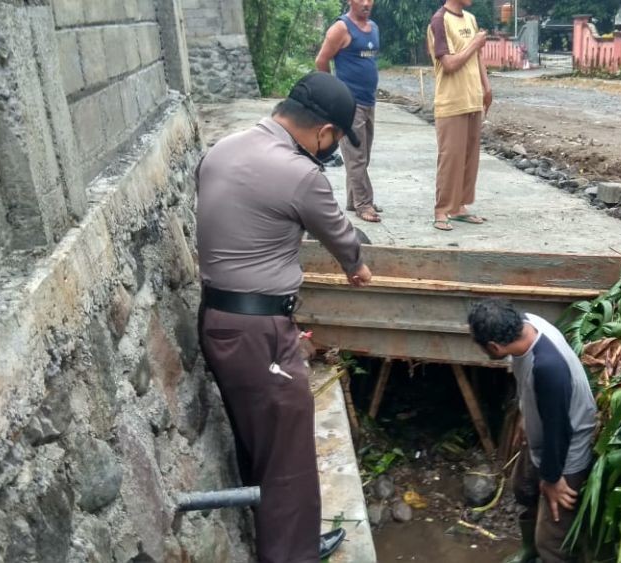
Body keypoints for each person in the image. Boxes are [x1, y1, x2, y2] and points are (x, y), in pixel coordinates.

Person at [195, 71, 373, 563]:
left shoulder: (222, 148)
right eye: (335, 138)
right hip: (261, 333)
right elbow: (340, 235)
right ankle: (292, 554)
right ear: (323, 133)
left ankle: (275, 539)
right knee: (289, 452)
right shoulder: (301, 174)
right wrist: (358, 267)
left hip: (217, 320)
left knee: (260, 441)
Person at [467, 299, 598, 563]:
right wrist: (524, 418)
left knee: (551, 540)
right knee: (523, 488)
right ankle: (530, 550)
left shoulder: (548, 368)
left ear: (494, 346)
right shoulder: (527, 325)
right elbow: (530, 388)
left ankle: (547, 552)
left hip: (567, 447)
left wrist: (553, 479)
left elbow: (559, 430)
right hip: (544, 430)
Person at [426, 0, 493, 231]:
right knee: (450, 158)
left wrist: (486, 87)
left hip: (471, 99)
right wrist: (474, 43)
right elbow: (449, 64)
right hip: (451, 101)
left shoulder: (470, 19)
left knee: (468, 158)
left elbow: (478, 58)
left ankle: (459, 207)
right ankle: (441, 210)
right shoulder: (439, 21)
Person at [315, 0, 383, 223]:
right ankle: (364, 204)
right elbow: (321, 60)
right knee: (355, 156)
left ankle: (353, 200)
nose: (366, 3)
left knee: (364, 154)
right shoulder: (340, 29)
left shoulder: (374, 28)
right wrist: (335, 92)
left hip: (369, 102)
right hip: (349, 104)